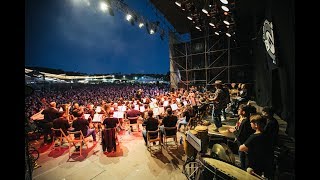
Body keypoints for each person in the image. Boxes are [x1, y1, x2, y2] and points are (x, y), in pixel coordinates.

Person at [239, 114, 274, 179]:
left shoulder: (254, 137)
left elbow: (241, 148)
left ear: (256, 125)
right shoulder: (266, 134)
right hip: (261, 163)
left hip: (252, 165)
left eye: (251, 122)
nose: (250, 124)